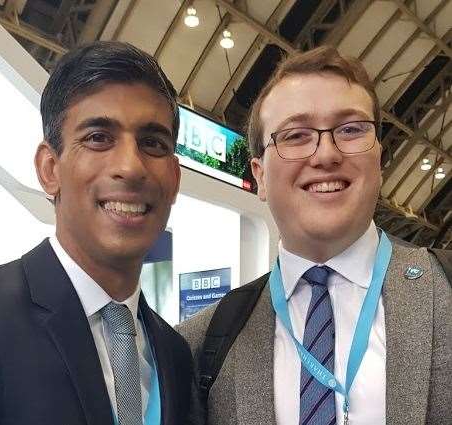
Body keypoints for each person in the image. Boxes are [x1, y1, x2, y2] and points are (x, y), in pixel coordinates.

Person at [177, 46, 452, 425]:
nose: (325, 154)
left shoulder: (445, 291)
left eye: (351, 129)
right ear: (259, 175)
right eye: (295, 135)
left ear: (379, 158)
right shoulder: (204, 342)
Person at [0, 41, 192, 425]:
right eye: (99, 138)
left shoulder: (176, 356)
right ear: (49, 168)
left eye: (152, 143)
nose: (130, 167)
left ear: (173, 180)